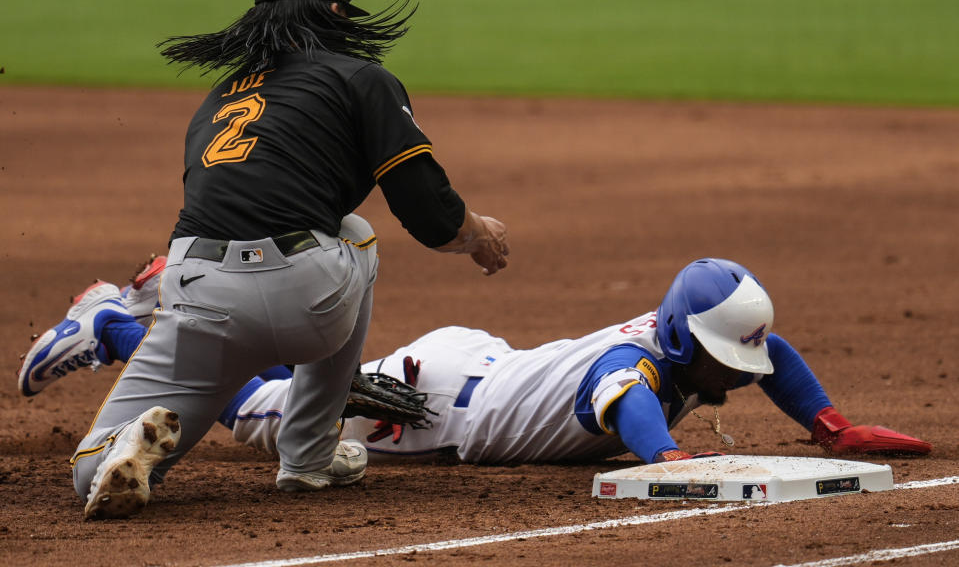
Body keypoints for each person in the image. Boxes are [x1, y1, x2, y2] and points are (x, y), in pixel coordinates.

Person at [24, 0, 509, 520]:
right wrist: (478, 235)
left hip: (196, 293)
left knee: (90, 473)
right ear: (335, 10)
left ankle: (125, 437)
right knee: (357, 232)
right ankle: (307, 458)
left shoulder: (219, 97)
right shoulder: (362, 78)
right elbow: (431, 215)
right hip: (305, 296)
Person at [21, 257, 930, 469]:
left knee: (278, 390)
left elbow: (772, 357)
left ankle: (155, 303)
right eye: (729, 356)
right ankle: (113, 326)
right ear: (691, 340)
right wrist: (668, 464)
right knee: (247, 407)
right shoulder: (637, 365)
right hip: (433, 403)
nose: (743, 371)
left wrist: (830, 425)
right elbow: (628, 403)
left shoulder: (686, 340)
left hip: (475, 365)